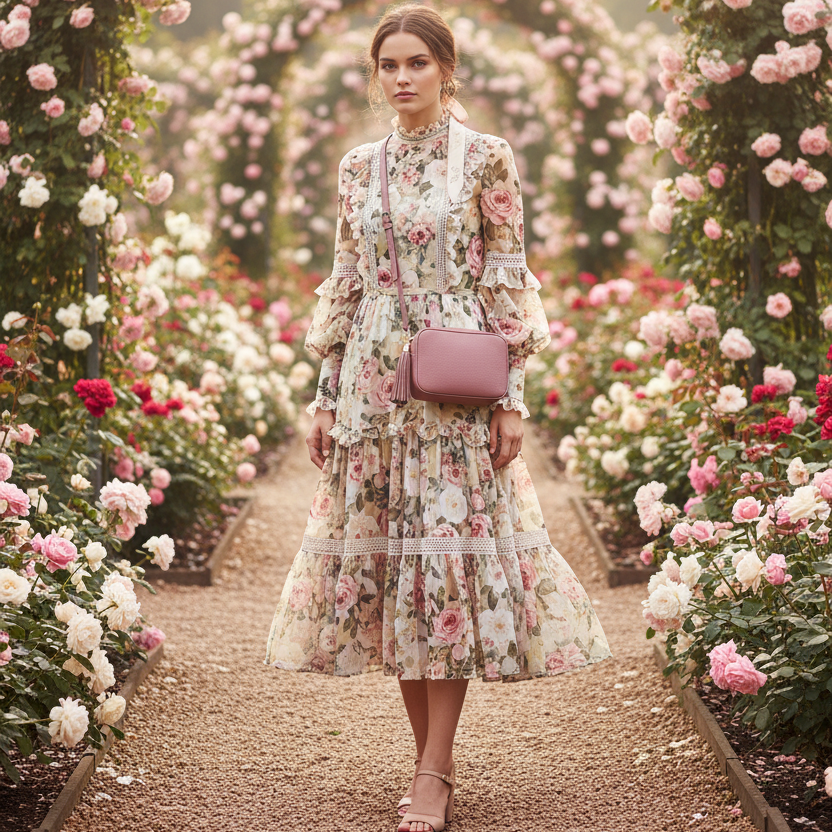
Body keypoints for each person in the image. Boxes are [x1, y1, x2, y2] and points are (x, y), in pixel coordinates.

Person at [264, 4, 614, 830]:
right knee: (398, 572)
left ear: (446, 68)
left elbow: (507, 274)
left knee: (445, 571)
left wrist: (515, 397)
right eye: (389, 65)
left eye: (417, 62)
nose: (403, 78)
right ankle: (430, 762)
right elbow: (345, 280)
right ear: (376, 75)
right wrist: (322, 393)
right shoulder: (359, 168)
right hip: (371, 388)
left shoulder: (485, 158)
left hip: (455, 389)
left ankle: (434, 771)